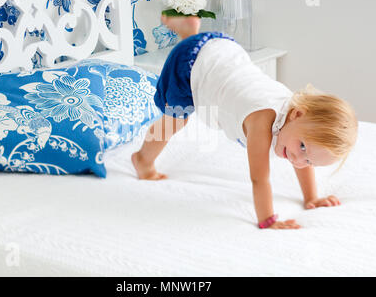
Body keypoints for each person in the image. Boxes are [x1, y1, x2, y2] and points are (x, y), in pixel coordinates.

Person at [132, 16, 358, 230]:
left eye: (308, 160)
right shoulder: (262, 121)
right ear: (297, 115)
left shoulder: (296, 121)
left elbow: (304, 155)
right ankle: (143, 160)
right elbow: (259, 179)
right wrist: (267, 220)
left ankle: (189, 31)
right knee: (174, 121)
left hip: (223, 51)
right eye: (302, 147)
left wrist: (312, 197)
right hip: (190, 64)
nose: (298, 159)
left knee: (303, 153)